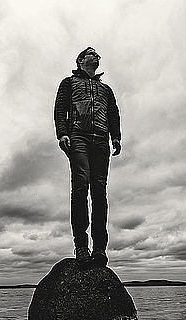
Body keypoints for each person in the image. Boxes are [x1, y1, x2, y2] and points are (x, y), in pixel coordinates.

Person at [53, 47, 122, 267]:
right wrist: (62, 133)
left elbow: (113, 113)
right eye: (91, 53)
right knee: (81, 186)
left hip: (101, 140)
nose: (97, 56)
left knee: (99, 191)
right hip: (78, 138)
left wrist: (116, 137)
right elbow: (59, 109)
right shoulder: (69, 83)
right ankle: (81, 247)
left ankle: (100, 249)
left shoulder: (106, 89)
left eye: (98, 54)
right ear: (81, 60)